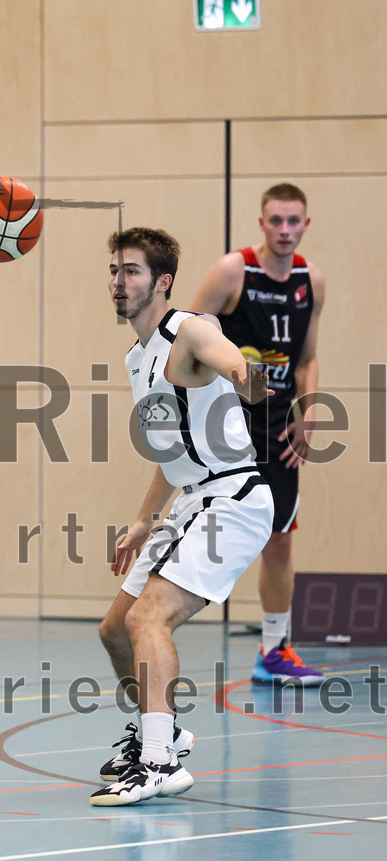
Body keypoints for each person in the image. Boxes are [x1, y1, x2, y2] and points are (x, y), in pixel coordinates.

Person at [92, 227, 274, 807]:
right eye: (115, 271)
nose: (120, 282)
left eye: (133, 272)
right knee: (115, 630)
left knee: (150, 619)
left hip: (234, 500)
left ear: (162, 282)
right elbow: (171, 452)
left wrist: (247, 376)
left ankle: (158, 761)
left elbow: (229, 361)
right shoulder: (135, 358)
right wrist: (146, 519)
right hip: (192, 499)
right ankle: (163, 730)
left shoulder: (190, 331)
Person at [190, 183, 326, 685]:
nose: (285, 230)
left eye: (294, 221)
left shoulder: (311, 279)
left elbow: (307, 357)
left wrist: (307, 412)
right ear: (262, 223)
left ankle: (274, 651)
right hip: (225, 423)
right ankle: (157, 618)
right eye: (276, 221)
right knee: (202, 529)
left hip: (276, 427)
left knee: (281, 541)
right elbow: (188, 339)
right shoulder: (234, 271)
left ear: (305, 224)